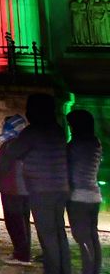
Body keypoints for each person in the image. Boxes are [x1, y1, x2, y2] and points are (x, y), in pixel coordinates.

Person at [0, 93, 71, 274]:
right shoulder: (57, 129)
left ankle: (53, 270)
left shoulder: (33, 131)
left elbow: (14, 151)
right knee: (59, 231)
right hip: (61, 187)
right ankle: (64, 269)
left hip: (41, 188)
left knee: (47, 234)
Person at [65, 109, 101, 274]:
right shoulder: (95, 142)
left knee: (82, 237)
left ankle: (88, 270)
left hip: (79, 195)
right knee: (92, 236)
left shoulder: (76, 144)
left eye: (71, 125)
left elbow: (68, 166)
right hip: (94, 196)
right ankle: (94, 269)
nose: (70, 128)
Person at [0, 116, 32, 265]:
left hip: (12, 187)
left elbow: (2, 167)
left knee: (14, 221)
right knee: (24, 221)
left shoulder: (8, 144)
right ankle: (24, 252)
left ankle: (21, 254)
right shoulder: (27, 143)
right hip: (26, 188)